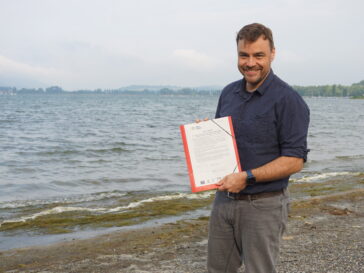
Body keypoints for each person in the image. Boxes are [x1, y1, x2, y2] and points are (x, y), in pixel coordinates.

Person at [206, 23, 310, 273]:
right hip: (224, 201)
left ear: (272, 53)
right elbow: (224, 143)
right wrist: (205, 134)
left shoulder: (288, 100)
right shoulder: (228, 93)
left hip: (264, 205)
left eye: (258, 55)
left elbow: (294, 160)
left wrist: (247, 177)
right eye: (244, 55)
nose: (250, 62)